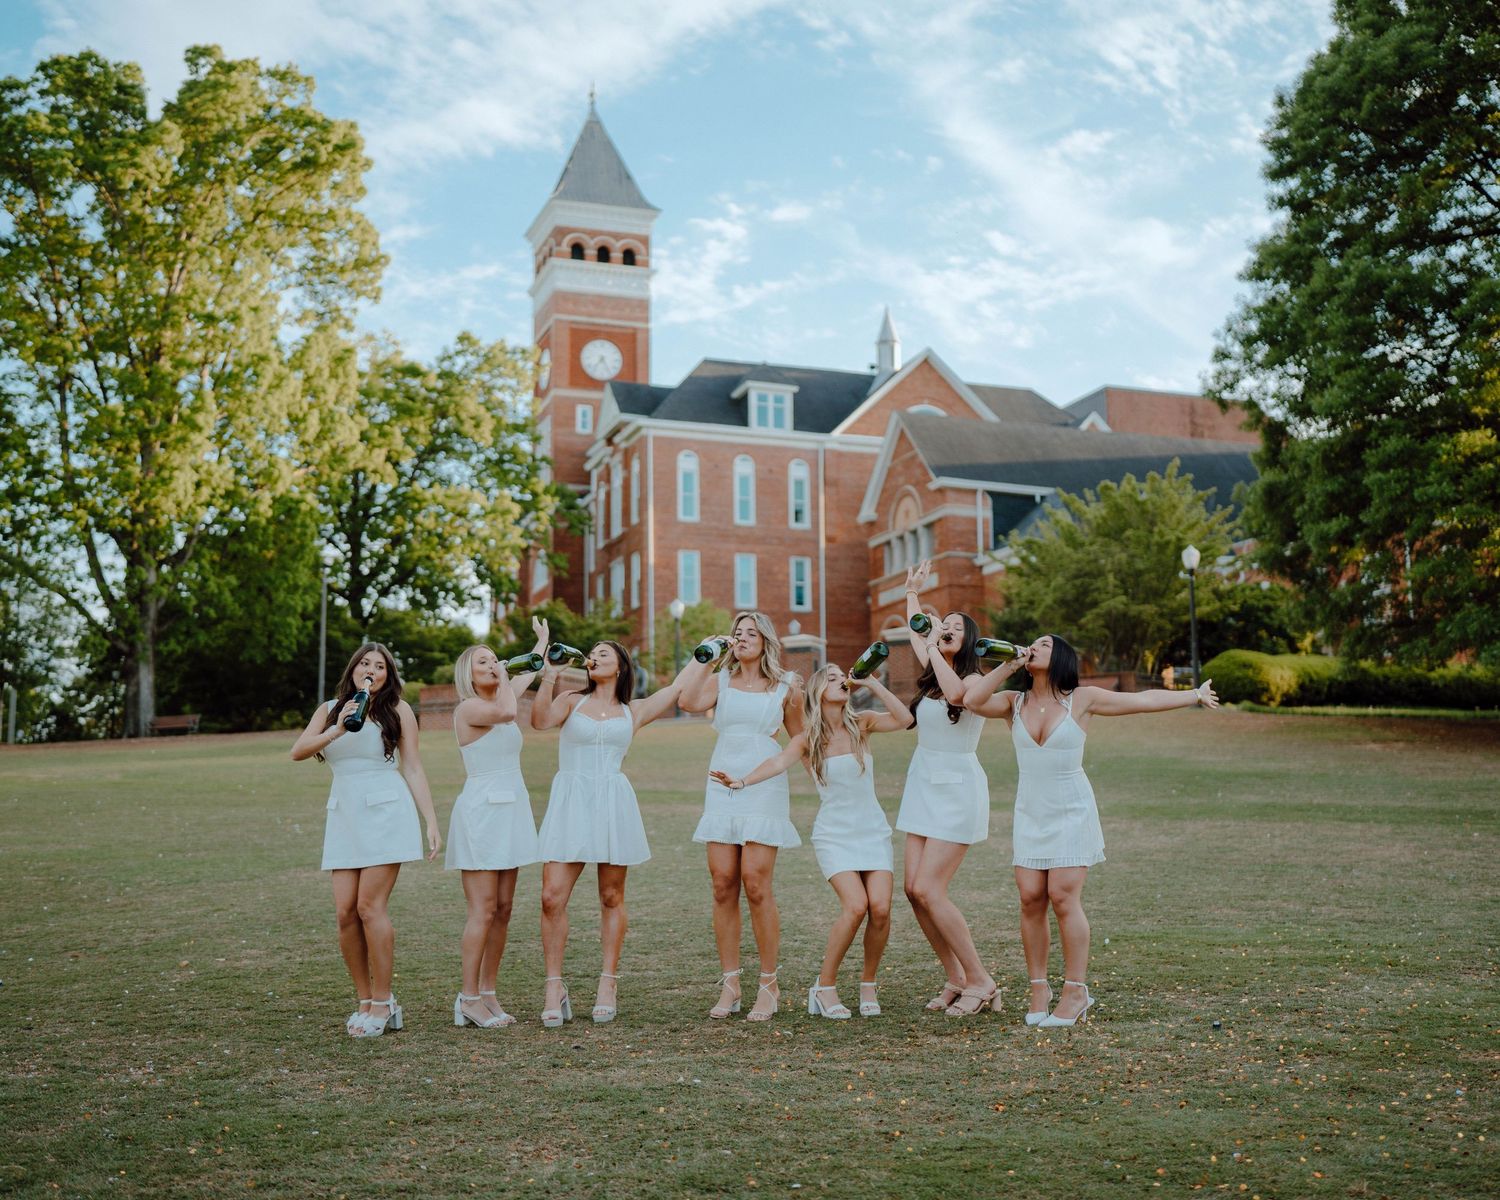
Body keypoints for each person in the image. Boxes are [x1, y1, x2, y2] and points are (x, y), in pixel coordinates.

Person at [964, 634, 1220, 1026]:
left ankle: (1075, 991)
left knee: (1063, 897)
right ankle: (1038, 989)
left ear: (1062, 657)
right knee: (1031, 899)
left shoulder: (1081, 699)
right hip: (1030, 811)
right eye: (1031, 644)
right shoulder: (1013, 703)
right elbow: (971, 700)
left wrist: (1193, 696)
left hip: (1071, 809)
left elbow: (1141, 701)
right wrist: (1009, 664)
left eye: (1044, 645)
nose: (1034, 647)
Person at [712, 663, 910, 1019]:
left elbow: (905, 718)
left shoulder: (862, 723)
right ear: (818, 691)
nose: (841, 682)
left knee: (880, 909)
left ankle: (868, 982)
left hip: (872, 829)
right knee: (856, 906)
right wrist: (741, 782)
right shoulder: (807, 740)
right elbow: (776, 763)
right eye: (831, 678)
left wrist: (874, 684)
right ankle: (825, 986)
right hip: (834, 833)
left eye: (842, 678)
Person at [530, 641, 710, 1026]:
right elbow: (540, 721)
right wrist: (548, 679)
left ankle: (608, 983)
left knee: (611, 895)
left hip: (612, 801)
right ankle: (553, 986)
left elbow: (677, 688)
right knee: (550, 897)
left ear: (621, 666)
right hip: (571, 801)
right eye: (592, 654)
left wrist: (707, 652)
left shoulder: (635, 711)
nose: (594, 658)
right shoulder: (570, 700)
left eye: (604, 654)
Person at [291, 642, 441, 1037]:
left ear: (388, 676)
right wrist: (336, 728)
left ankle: (384, 1000)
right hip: (344, 813)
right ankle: (364, 999)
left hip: (387, 811)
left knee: (370, 907)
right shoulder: (329, 709)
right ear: (353, 670)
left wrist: (430, 820)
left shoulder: (398, 711)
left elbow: (413, 767)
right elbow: (298, 751)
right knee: (345, 912)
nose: (371, 670)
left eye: (380, 666)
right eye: (365, 663)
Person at [678, 611, 804, 1022]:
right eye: (738, 633)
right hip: (720, 781)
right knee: (721, 884)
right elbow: (686, 701)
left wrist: (778, 763)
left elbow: (800, 734)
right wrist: (708, 658)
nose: (743, 637)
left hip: (762, 783)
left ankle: (769, 984)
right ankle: (730, 983)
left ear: (766, 640)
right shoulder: (721, 681)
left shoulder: (787, 686)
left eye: (751, 632)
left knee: (755, 883)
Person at [895, 559, 1000, 1017]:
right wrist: (912, 595)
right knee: (912, 890)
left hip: (957, 789)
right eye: (946, 625)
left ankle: (982, 980)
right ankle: (955, 977)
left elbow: (958, 697)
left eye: (956, 627)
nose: (947, 629)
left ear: (969, 640)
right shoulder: (934, 671)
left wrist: (935, 643)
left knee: (931, 889)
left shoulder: (973, 680)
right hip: (922, 783)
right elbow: (918, 637)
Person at [445, 618, 548, 1029]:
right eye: (481, 662)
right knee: (483, 909)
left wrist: (540, 644)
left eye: (493, 659)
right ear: (468, 675)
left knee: (503, 909)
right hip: (483, 811)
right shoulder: (470, 708)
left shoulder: (502, 697)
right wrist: (508, 675)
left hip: (511, 807)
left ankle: (488, 993)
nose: (491, 665)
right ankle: (467, 998)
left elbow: (531, 673)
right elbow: (507, 708)